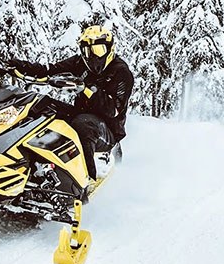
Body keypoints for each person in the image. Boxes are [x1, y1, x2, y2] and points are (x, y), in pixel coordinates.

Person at [8, 25, 134, 183]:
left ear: (109, 49)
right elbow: (49, 70)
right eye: (88, 51)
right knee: (40, 105)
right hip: (80, 114)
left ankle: (85, 182)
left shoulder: (121, 72)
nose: (93, 56)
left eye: (98, 50)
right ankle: (23, 167)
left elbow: (113, 110)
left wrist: (86, 89)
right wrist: (15, 66)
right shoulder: (80, 63)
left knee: (83, 125)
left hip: (108, 130)